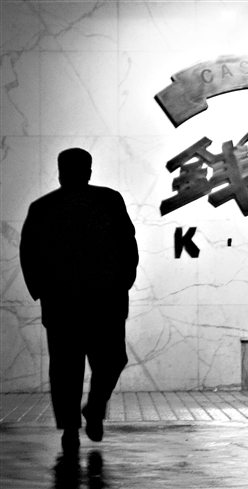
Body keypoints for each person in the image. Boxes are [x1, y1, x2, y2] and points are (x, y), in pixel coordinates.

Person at [20, 148, 139, 452]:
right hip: (104, 301)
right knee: (109, 361)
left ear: (60, 172)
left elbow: (29, 254)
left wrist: (41, 290)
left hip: (64, 303)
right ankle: (91, 411)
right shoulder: (109, 200)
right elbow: (128, 245)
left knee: (66, 370)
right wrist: (123, 283)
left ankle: (74, 424)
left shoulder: (43, 207)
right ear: (88, 171)